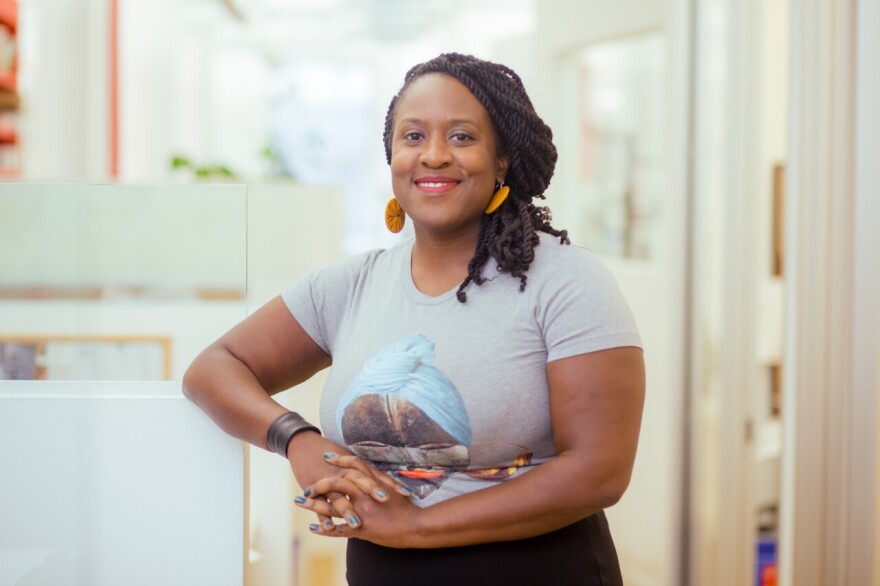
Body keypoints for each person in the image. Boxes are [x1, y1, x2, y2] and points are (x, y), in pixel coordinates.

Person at [183, 52, 645, 586]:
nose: (434, 156)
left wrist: (417, 526)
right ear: (392, 156)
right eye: (413, 136)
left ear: (502, 161)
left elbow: (599, 471)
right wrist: (299, 440)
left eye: (463, 137)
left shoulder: (565, 280)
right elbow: (213, 369)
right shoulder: (350, 286)